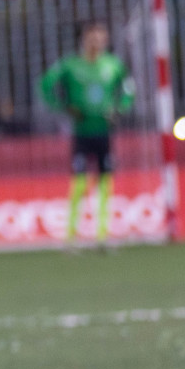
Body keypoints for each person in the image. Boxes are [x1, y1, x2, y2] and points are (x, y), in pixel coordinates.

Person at [38, 20, 136, 246]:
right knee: (79, 183)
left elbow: (130, 89)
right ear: (84, 39)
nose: (96, 41)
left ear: (106, 40)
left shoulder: (114, 65)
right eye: (92, 37)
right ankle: (71, 237)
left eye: (101, 37)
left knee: (105, 182)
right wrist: (62, 106)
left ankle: (102, 236)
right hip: (81, 132)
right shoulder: (70, 65)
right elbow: (45, 85)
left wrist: (119, 110)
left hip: (104, 132)